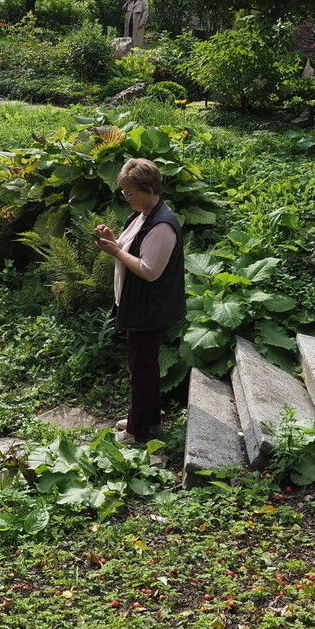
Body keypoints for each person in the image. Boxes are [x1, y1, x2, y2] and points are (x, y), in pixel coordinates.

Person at [94, 158, 186, 445]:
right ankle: (147, 417)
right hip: (140, 305)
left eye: (130, 192)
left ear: (149, 188)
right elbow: (131, 247)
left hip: (151, 309)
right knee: (143, 365)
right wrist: (114, 241)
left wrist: (116, 253)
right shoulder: (142, 214)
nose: (126, 197)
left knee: (140, 368)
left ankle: (137, 431)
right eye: (124, 192)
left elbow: (149, 271)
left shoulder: (162, 224)